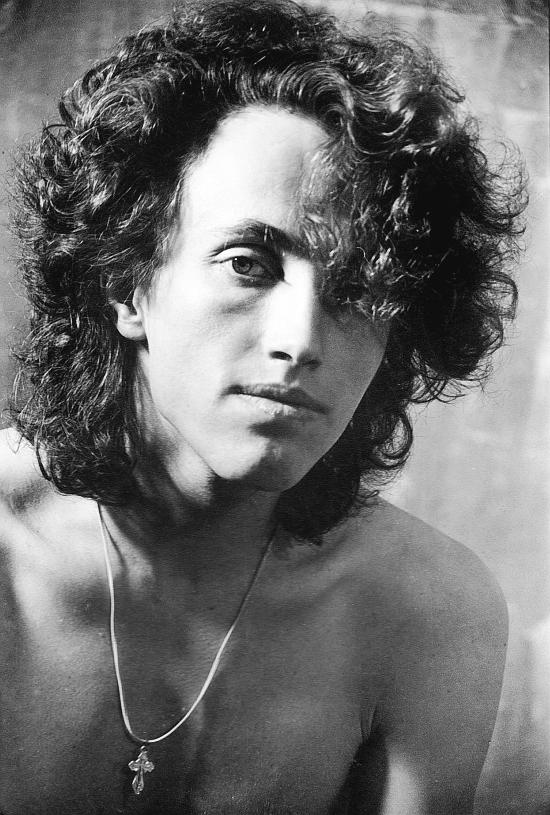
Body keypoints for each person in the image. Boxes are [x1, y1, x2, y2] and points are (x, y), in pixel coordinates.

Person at [0, 1, 525, 813]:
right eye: (248, 262)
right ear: (126, 282)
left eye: (358, 288)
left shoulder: (427, 612)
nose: (301, 338)